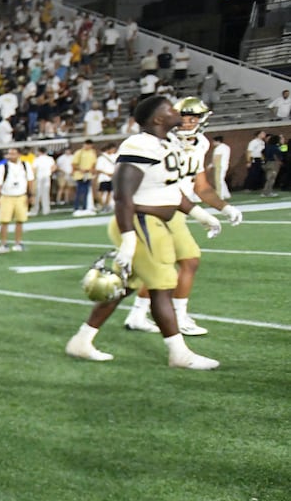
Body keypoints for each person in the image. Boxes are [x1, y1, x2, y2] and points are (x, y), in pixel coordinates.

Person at [64, 95, 219, 370]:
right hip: (140, 223)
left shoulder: (167, 142)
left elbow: (170, 191)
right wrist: (127, 240)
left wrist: (200, 214)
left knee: (124, 287)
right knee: (162, 286)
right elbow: (123, 197)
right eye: (170, 109)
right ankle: (178, 353)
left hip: (152, 222)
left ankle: (81, 340)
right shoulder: (138, 145)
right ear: (158, 119)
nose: (176, 112)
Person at [122, 98, 242, 336]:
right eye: (184, 116)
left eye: (194, 117)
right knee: (189, 260)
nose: (188, 122)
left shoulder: (201, 143)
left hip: (176, 207)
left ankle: (136, 314)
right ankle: (177, 316)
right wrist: (199, 213)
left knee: (158, 267)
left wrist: (225, 207)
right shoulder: (160, 141)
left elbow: (201, 186)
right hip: (160, 207)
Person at [0, 147, 32, 252]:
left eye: (14, 154)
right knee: (4, 221)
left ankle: (18, 243)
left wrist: (30, 195)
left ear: (19, 154)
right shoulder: (3, 167)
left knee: (20, 220)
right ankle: (3, 243)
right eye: (10, 154)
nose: (11, 156)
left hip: (21, 195)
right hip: (7, 196)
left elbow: (30, 180)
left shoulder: (25, 165)